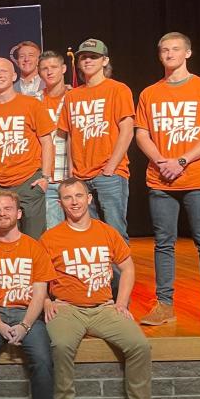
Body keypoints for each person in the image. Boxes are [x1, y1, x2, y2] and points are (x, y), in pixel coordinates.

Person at [135, 32, 200, 331]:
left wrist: (182, 160)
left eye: (175, 49)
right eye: (164, 50)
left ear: (188, 53)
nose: (169, 54)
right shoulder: (150, 93)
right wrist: (162, 161)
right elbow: (142, 133)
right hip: (160, 181)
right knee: (163, 244)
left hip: (197, 179)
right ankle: (164, 305)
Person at [41, 177, 150, 399]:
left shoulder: (107, 232)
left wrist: (121, 303)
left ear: (89, 199)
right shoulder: (50, 238)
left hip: (104, 308)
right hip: (68, 309)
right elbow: (38, 279)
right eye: (68, 198)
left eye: (79, 196)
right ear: (60, 204)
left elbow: (128, 267)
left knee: (140, 346)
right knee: (60, 346)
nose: (74, 202)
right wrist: (47, 302)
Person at [0, 191, 57, 399]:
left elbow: (40, 293)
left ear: (18, 213)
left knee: (42, 358)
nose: (2, 213)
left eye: (8, 208)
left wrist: (25, 325)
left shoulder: (35, 248)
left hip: (26, 312)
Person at [58, 39, 135, 252]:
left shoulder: (118, 89)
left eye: (93, 56)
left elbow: (127, 130)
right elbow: (71, 136)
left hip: (109, 173)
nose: (88, 60)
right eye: (84, 57)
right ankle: (97, 284)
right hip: (81, 176)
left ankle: (119, 285)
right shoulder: (72, 96)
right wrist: (72, 172)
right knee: (88, 235)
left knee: (115, 232)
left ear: (105, 61)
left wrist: (111, 166)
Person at [0, 58, 54, 239]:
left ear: (13, 76)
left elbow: (47, 142)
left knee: (34, 240)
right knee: (3, 241)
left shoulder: (32, 104)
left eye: (3, 71)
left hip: (29, 182)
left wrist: (45, 177)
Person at [38, 51, 71, 228]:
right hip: (47, 179)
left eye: (54, 67)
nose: (49, 72)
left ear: (63, 69)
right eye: (44, 68)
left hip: (72, 176)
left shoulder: (75, 97)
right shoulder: (34, 101)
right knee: (53, 232)